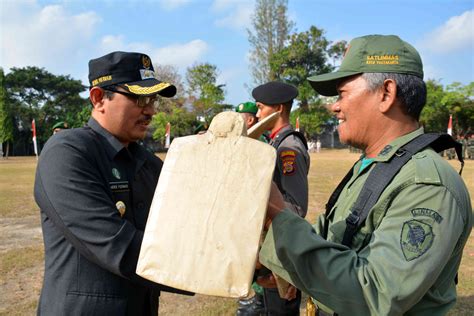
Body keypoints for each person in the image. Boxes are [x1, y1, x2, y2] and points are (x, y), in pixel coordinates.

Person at [259, 35, 472, 315]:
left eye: (342, 94)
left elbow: (375, 294)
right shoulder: (375, 166)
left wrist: (278, 214)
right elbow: (336, 246)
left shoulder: (427, 184)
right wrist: (283, 267)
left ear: (386, 93)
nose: (334, 106)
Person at [34, 51, 191, 315]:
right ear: (98, 98)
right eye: (140, 98)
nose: (151, 110)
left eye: (152, 99)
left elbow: (182, 225)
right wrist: (219, 267)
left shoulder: (148, 163)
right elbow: (118, 246)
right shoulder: (68, 152)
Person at [252, 81, 310, 315]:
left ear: (277, 109)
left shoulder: (289, 148)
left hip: (281, 248)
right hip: (270, 246)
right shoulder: (275, 143)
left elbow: (295, 208)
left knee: (280, 309)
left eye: (260, 107)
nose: (257, 115)